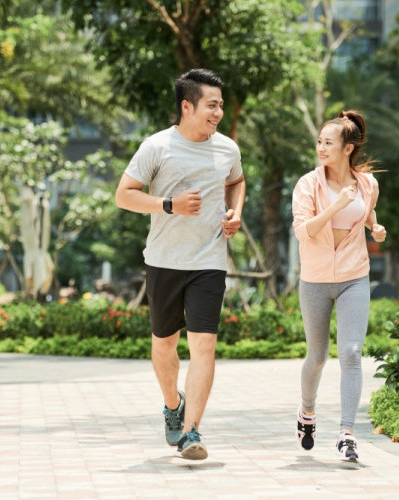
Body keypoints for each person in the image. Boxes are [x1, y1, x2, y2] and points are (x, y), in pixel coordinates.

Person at [114, 68, 246, 460]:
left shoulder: (227, 149)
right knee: (164, 344)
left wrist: (235, 212)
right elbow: (124, 195)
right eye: (211, 105)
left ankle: (192, 432)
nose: (218, 113)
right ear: (187, 106)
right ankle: (173, 405)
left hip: (209, 261)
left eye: (220, 105)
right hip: (164, 261)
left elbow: (237, 181)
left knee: (204, 345)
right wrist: (169, 205)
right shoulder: (157, 147)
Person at [291, 109, 386, 462]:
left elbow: (366, 212)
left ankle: (347, 434)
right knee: (316, 356)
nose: (320, 148)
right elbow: (304, 231)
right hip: (315, 279)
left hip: (354, 277)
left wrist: (375, 228)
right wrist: (336, 205)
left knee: (351, 352)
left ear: (348, 148)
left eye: (328, 142)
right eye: (319, 141)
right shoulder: (308, 184)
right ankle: (307, 412)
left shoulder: (368, 184)